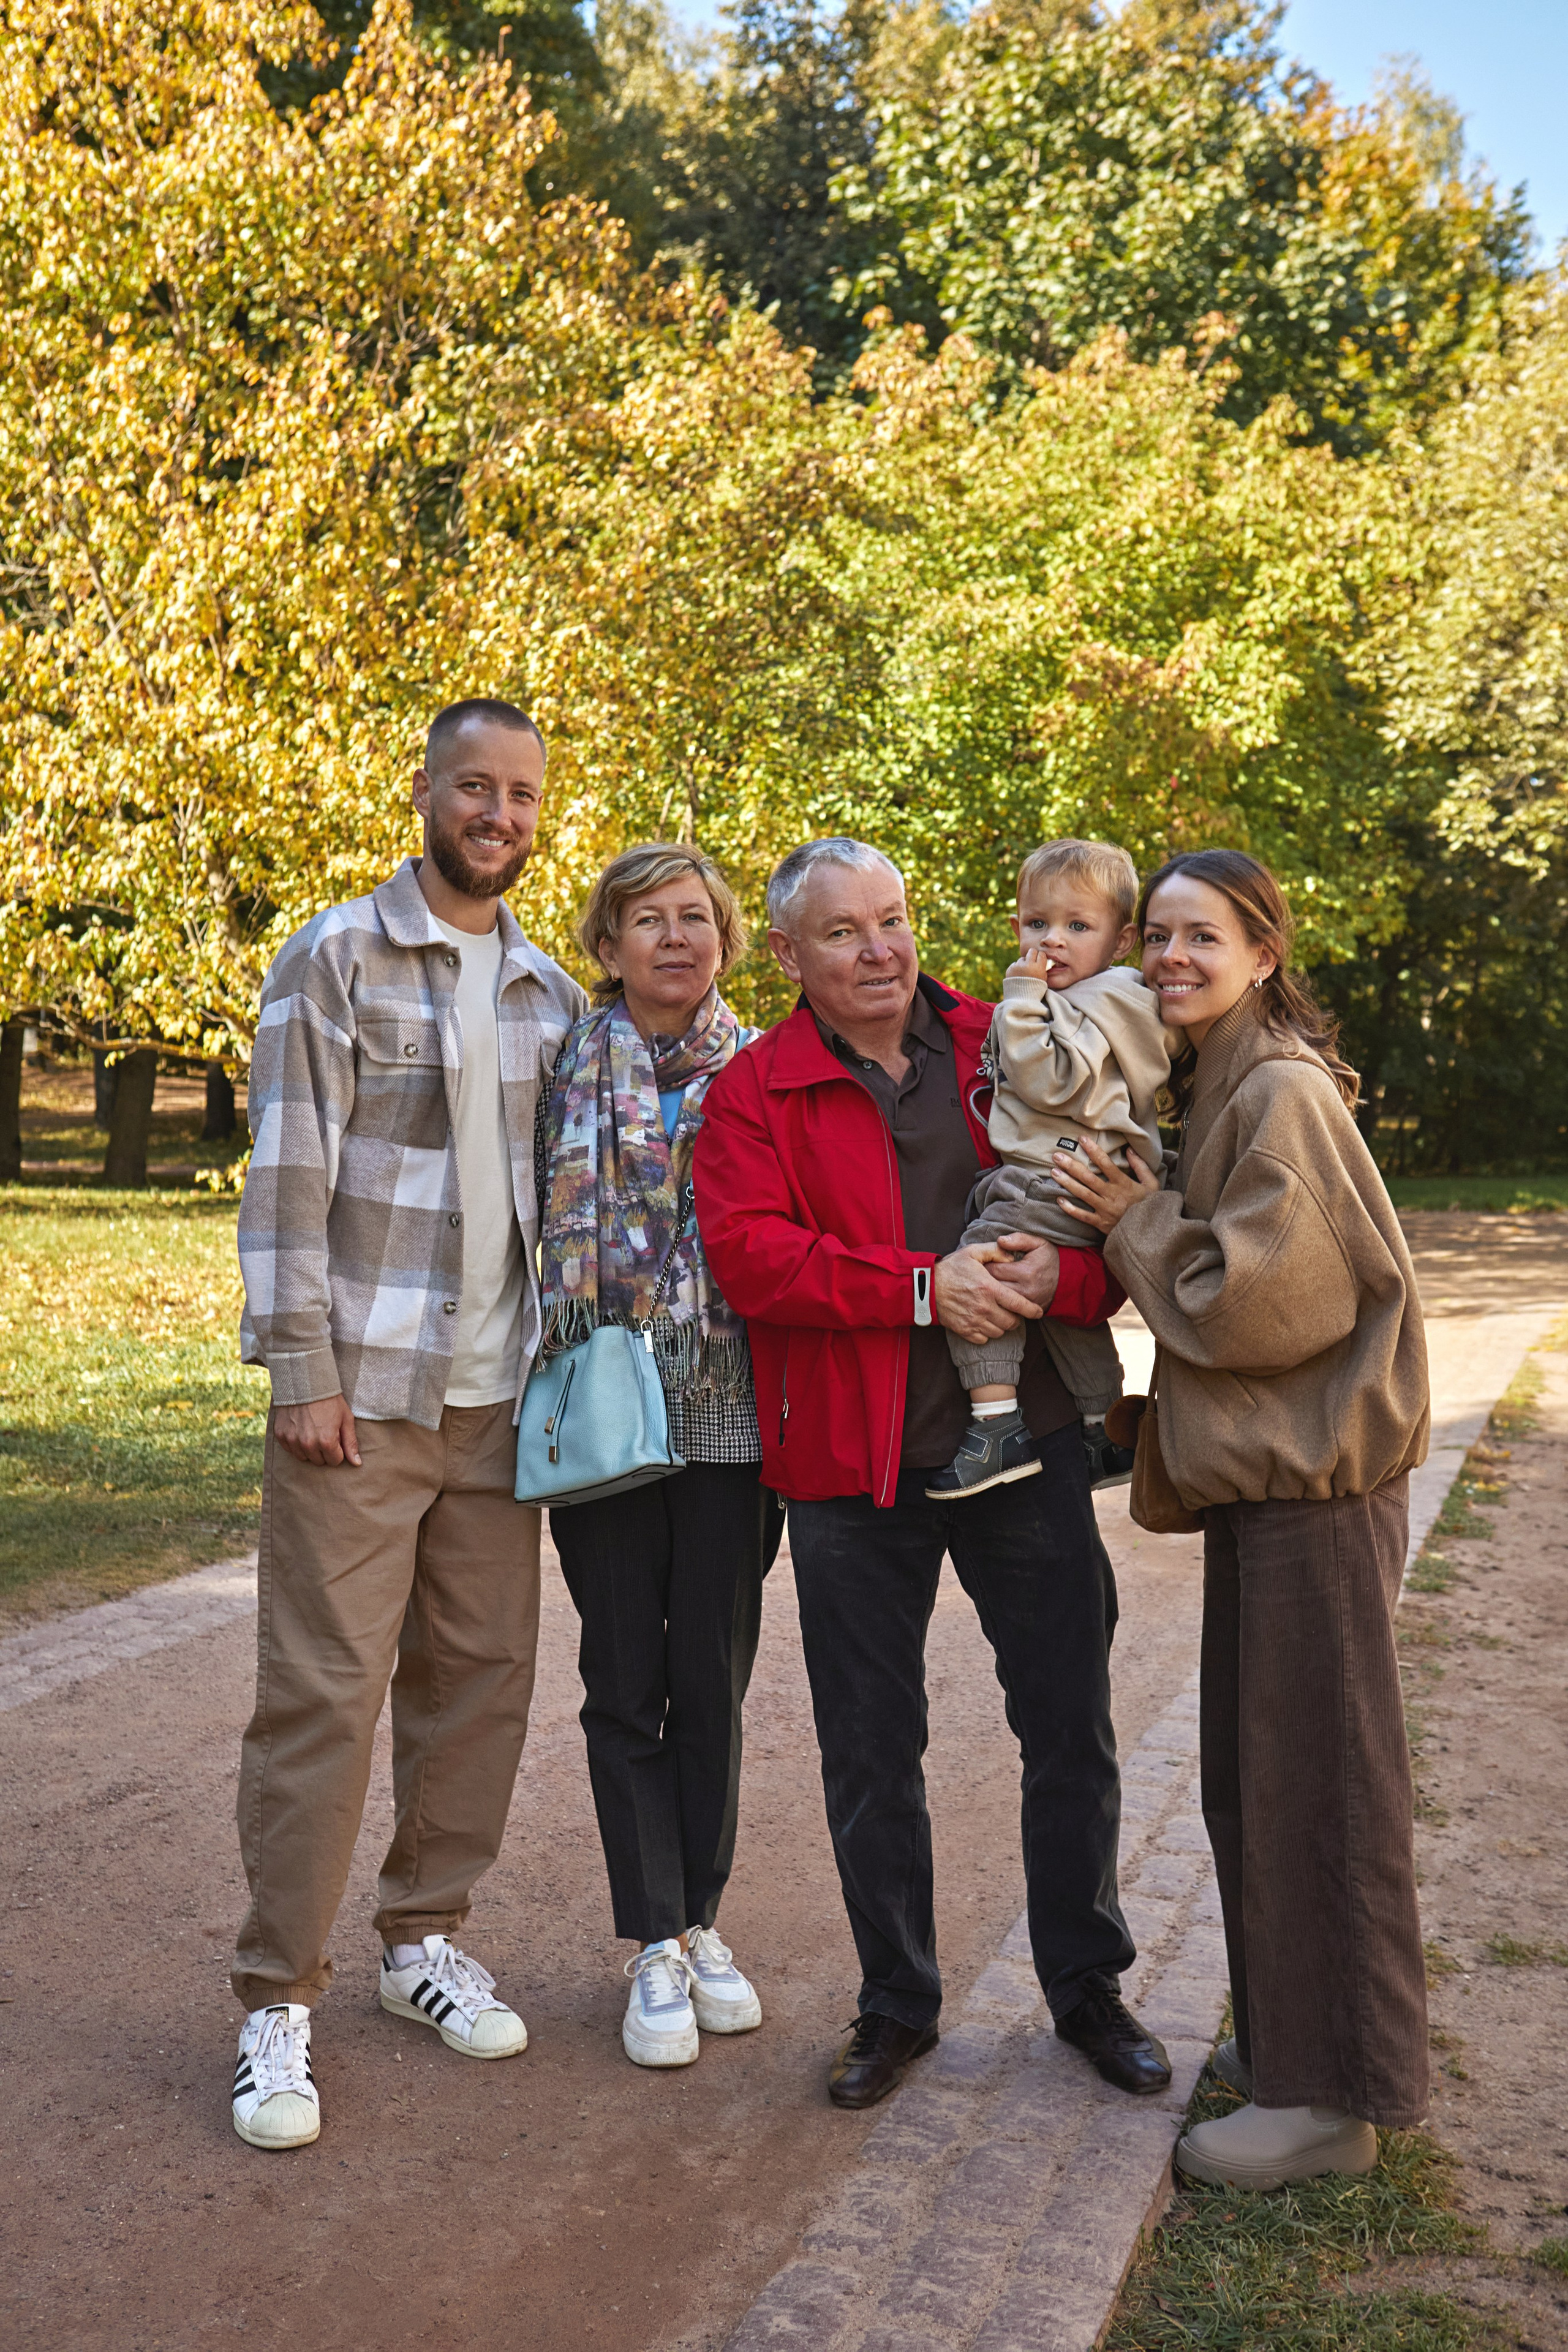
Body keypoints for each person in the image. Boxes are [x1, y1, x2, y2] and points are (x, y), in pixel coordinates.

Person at [693, 836, 1171, 2110]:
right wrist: (921, 1291)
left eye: (891, 919)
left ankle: (1086, 1990)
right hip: (849, 1468)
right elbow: (752, 1259)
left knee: (1066, 1721)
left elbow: (1096, 1218)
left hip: (1029, 1451)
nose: (879, 949)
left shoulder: (1008, 1039)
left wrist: (1054, 1281)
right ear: (788, 956)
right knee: (868, 1748)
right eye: (842, 932)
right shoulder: (754, 1090)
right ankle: (895, 2005)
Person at [229, 696, 587, 2152]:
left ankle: (421, 1939)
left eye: (520, 795)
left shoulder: (551, 992)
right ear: (427, 789)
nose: (496, 813)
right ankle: (274, 2000)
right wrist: (299, 1365)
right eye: (474, 787)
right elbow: (286, 1175)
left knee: (480, 1685)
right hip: (360, 1401)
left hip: (503, 1410)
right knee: (323, 1694)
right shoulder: (334, 956)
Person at [1053, 847, 1431, 2193]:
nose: (1165, 958)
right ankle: (1286, 2047)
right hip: (1280, 1494)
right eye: (1151, 935)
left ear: (1262, 952)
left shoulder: (1272, 1091)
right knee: (1257, 1781)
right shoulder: (1225, 1078)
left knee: (1317, 1793)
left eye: (1197, 937)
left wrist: (1136, 1224)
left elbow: (1264, 1304)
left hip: (1318, 1496)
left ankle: (1332, 2104)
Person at [539, 843, 781, 2070]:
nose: (674, 939)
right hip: (598, 1403)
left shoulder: (770, 1073)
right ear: (609, 943)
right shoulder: (562, 1065)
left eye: (695, 919)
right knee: (623, 1671)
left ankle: (698, 1920)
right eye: (648, 920)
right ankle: (651, 1941)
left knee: (714, 1683)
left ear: (725, 941)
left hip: (732, 1411)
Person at [925, 837, 1170, 1501]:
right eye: (1038, 925)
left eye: (1076, 926)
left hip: (1059, 1176)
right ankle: (1102, 1426)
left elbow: (1051, 1081)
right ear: (1015, 925)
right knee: (1062, 1309)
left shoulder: (1099, 1000)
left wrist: (1022, 999)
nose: (1052, 942)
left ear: (1120, 941)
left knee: (985, 1262)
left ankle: (995, 1423)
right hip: (1065, 1172)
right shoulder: (1099, 998)